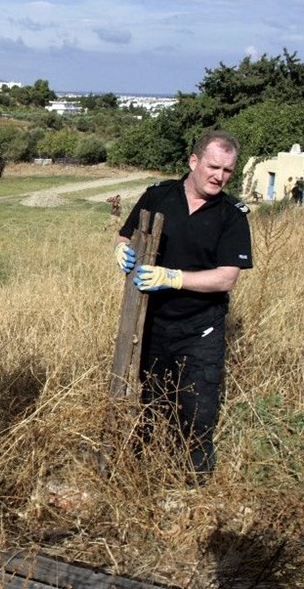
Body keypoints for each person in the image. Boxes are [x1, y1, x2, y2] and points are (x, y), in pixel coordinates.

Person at [113, 130, 252, 480]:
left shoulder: (232, 215)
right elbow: (125, 235)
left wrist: (173, 278)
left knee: (196, 413)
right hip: (150, 325)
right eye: (213, 166)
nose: (219, 176)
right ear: (194, 162)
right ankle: (142, 477)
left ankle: (194, 488)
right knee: (150, 404)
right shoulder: (158, 197)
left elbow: (226, 277)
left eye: (228, 171)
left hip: (199, 329)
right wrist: (121, 250)